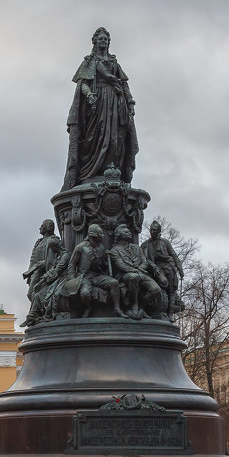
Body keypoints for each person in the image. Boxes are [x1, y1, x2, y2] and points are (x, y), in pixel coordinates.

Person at [62, 27, 138, 189]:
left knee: (115, 136)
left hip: (116, 102)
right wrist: (89, 94)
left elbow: (123, 83)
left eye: (106, 39)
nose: (103, 41)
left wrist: (130, 101)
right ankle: (90, 172)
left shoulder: (113, 62)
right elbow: (83, 83)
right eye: (101, 38)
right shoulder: (90, 61)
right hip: (97, 103)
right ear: (94, 41)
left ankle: (111, 167)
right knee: (96, 135)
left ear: (108, 42)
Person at [109, 225, 164, 319]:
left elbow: (145, 261)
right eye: (126, 232)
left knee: (156, 289)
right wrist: (136, 270)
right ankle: (134, 304)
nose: (129, 233)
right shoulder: (115, 250)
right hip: (125, 275)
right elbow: (121, 265)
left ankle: (141, 307)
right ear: (119, 235)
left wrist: (140, 269)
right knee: (134, 277)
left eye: (129, 231)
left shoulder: (137, 248)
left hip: (141, 273)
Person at [140, 220, 184, 316]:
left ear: (159, 231)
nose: (152, 232)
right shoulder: (145, 244)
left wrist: (180, 269)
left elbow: (174, 255)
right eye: (151, 230)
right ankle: (156, 302)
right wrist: (154, 266)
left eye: (154, 230)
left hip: (169, 267)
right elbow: (145, 259)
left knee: (172, 290)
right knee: (164, 282)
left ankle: (170, 313)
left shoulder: (165, 242)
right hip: (156, 268)